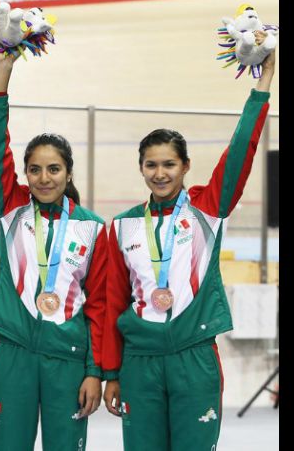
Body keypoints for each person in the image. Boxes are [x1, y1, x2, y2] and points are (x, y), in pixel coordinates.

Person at [101, 33, 276, 451]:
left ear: (185, 166)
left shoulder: (207, 209)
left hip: (193, 357)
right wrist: (110, 371)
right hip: (139, 363)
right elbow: (112, 301)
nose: (160, 173)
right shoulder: (123, 226)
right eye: (151, 165)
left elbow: (240, 153)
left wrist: (263, 84)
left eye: (169, 164)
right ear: (141, 168)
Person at [0, 41, 107, 450]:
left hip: (67, 361)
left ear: (68, 172)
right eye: (34, 170)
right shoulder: (12, 209)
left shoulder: (91, 228)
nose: (44, 178)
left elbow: (101, 304)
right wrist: (4, 72)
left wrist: (94, 370)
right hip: (13, 354)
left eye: (54, 169)